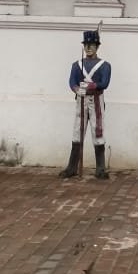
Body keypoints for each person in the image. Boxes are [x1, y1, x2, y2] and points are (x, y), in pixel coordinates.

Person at [59, 30, 111, 179]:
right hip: (81, 101)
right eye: (86, 44)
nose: (89, 47)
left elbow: (104, 83)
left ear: (97, 46)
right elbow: (72, 82)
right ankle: (72, 167)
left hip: (96, 101)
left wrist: (88, 86)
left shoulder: (105, 65)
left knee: (98, 131)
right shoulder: (77, 65)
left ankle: (100, 168)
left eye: (92, 45)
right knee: (77, 131)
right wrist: (77, 89)